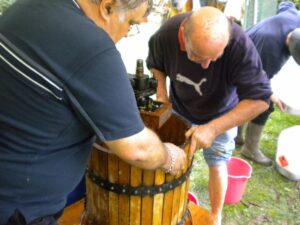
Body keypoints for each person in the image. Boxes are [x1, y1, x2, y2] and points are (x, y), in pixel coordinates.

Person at [0, 0, 187, 224]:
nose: (128, 33)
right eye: (131, 23)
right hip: (18, 208)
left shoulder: (29, 6)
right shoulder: (92, 48)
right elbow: (137, 149)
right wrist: (168, 156)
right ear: (107, 7)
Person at [146, 6, 272, 224]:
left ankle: (216, 216)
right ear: (183, 36)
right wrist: (161, 92)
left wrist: (213, 128)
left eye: (215, 58)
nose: (206, 65)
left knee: (218, 162)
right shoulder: (166, 35)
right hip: (179, 109)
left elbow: (260, 100)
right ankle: (166, 205)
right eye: (198, 56)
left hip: (221, 115)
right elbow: (156, 64)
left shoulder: (238, 43)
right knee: (170, 160)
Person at [237, 1, 300, 166]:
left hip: (250, 42)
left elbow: (286, 3)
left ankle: (238, 135)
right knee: (262, 102)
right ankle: (249, 148)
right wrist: (271, 95)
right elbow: (259, 82)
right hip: (240, 56)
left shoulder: (295, 16)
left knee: (248, 95)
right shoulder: (272, 51)